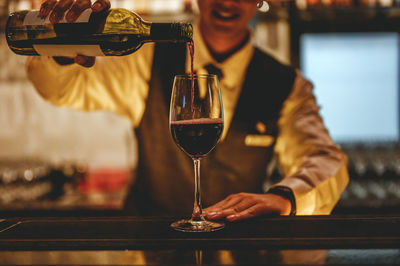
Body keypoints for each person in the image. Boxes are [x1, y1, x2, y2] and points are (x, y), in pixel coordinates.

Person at [26, 0, 349, 220]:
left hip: (236, 252)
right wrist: (65, 52)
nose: (228, 2)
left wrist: (286, 198)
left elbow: (323, 159)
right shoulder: (147, 60)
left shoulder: (286, 85)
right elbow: (63, 91)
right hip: (147, 246)